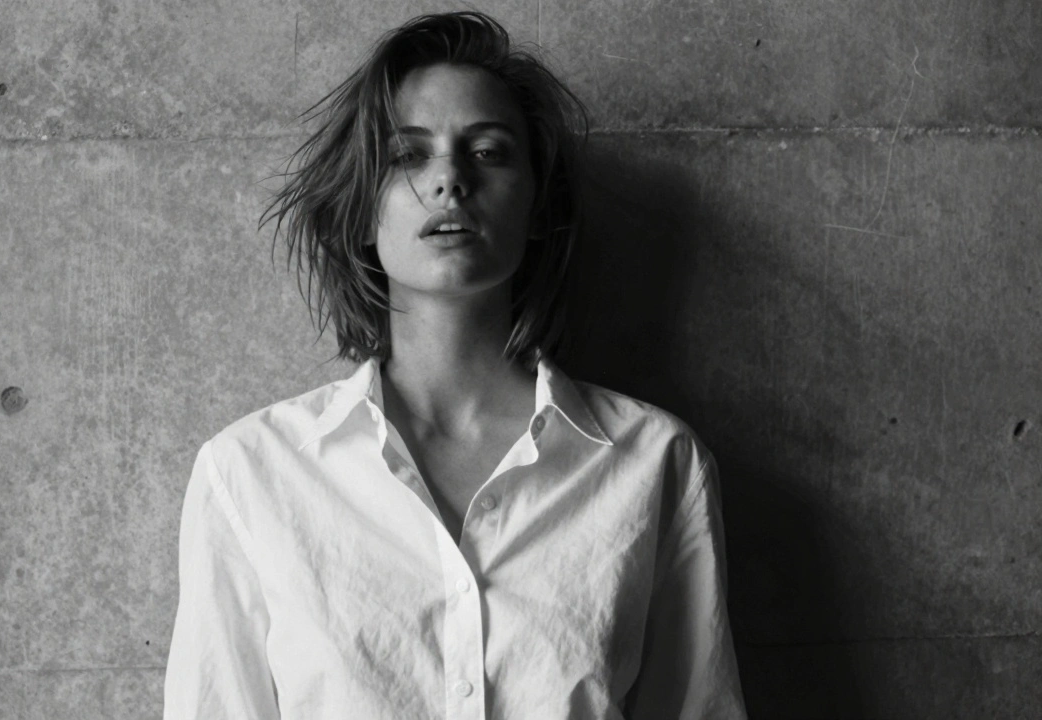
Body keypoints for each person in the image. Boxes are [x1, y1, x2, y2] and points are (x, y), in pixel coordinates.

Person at [164, 11, 746, 719]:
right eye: (407, 155)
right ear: (360, 208)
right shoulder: (251, 473)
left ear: (537, 204)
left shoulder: (655, 463)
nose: (450, 179)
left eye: (489, 151)